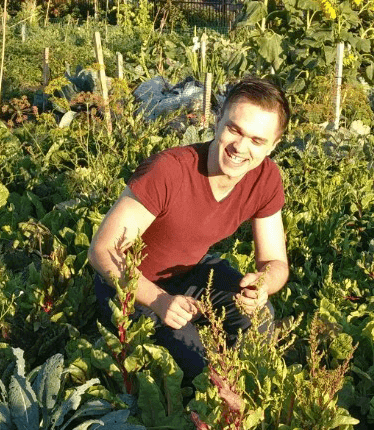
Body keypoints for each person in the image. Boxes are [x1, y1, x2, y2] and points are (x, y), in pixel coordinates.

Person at [88, 77, 290, 383]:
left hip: (190, 272)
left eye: (257, 140)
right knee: (202, 367)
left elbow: (275, 261)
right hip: (129, 285)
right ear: (218, 120)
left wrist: (263, 285)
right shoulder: (168, 171)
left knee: (261, 322)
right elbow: (103, 250)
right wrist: (158, 300)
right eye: (234, 129)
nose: (240, 147)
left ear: (274, 145)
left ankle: (243, 386)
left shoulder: (266, 178)